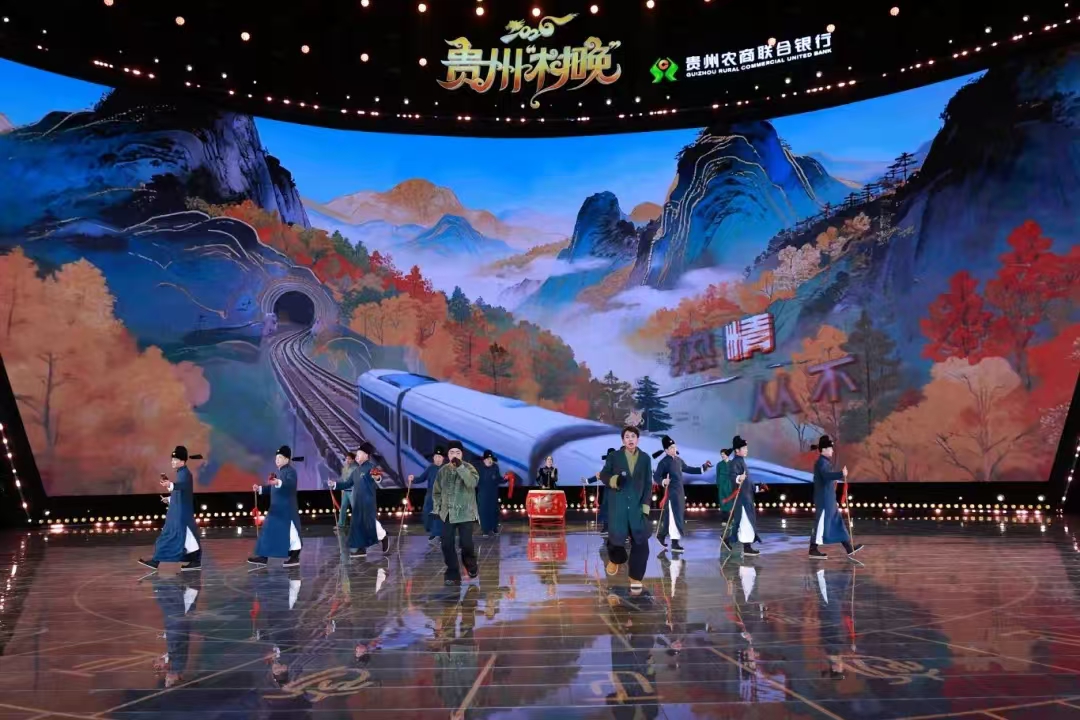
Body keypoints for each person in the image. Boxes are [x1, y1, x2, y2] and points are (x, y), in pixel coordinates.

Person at [598, 426, 653, 593]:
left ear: (638, 439)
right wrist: (614, 480)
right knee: (616, 539)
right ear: (623, 440)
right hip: (619, 505)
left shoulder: (645, 458)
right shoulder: (614, 456)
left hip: (637, 507)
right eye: (627, 437)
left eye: (633, 436)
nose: (630, 439)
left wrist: (645, 508)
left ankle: (635, 577)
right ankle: (615, 560)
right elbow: (604, 475)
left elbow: (648, 484)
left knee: (641, 541)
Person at [140, 446, 201, 572]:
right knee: (187, 539)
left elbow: (182, 486)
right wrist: (169, 498)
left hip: (181, 515)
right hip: (179, 514)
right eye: (172, 459)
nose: (172, 462)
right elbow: (181, 492)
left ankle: (156, 561)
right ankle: (195, 561)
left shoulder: (185, 474)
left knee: (173, 537)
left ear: (182, 461)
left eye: (175, 459)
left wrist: (171, 485)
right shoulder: (181, 473)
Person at [431, 440, 480, 586]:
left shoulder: (469, 467)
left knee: (466, 544)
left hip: (465, 512)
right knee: (446, 544)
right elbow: (436, 492)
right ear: (447, 454)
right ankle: (452, 573)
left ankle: (470, 565)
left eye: (458, 453)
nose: (455, 455)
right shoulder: (443, 471)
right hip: (448, 513)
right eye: (452, 452)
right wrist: (437, 508)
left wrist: (460, 467)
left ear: (462, 454)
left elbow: (472, 483)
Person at [653, 435, 712, 554]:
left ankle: (661, 535)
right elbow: (656, 476)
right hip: (672, 493)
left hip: (680, 492)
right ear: (666, 450)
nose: (674, 449)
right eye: (671, 447)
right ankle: (675, 543)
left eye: (674, 446)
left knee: (672, 516)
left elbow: (689, 469)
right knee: (674, 517)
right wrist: (663, 481)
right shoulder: (663, 463)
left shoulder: (679, 460)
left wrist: (703, 468)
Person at [329, 442, 389, 558]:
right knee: (358, 524)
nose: (357, 456)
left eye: (359, 454)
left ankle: (383, 536)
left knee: (369, 522)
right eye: (357, 454)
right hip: (358, 501)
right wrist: (335, 484)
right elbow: (347, 484)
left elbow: (378, 477)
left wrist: (377, 477)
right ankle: (361, 548)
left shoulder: (371, 467)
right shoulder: (356, 471)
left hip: (367, 501)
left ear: (366, 455)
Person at [809, 435, 864, 559]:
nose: (832, 451)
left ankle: (848, 547)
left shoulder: (825, 462)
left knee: (837, 522)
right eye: (830, 448)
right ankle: (813, 549)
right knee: (821, 523)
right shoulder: (821, 462)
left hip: (829, 498)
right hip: (824, 499)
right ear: (824, 449)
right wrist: (840, 474)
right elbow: (826, 476)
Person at [249, 445, 302, 568]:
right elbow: (273, 488)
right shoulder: (280, 472)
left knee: (291, 532)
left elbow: (290, 484)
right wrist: (260, 488)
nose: (277, 460)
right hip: (276, 509)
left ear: (287, 459)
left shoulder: (290, 472)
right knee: (268, 530)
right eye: (276, 458)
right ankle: (263, 556)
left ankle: (294, 556)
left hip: (286, 509)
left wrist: (278, 482)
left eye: (280, 457)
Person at [728, 436, 762, 556]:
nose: (746, 450)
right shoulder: (735, 462)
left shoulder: (742, 461)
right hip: (742, 498)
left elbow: (748, 481)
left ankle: (731, 540)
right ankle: (746, 547)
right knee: (745, 521)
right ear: (737, 450)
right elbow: (732, 477)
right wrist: (738, 478)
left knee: (745, 521)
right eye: (744, 448)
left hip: (746, 497)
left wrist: (757, 488)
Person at [415, 446, 446, 546]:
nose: (437, 459)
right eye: (436, 456)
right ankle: (434, 532)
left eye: (439, 457)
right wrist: (413, 479)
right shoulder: (430, 468)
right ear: (433, 458)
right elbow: (421, 478)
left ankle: (436, 535)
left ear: (443, 458)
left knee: (437, 516)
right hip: (429, 496)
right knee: (426, 514)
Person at [477, 449, 503, 537]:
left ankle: (494, 528)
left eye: (491, 459)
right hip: (483, 494)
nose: (489, 460)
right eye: (487, 459)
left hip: (493, 493)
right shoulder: (479, 468)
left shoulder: (495, 467)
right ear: (484, 460)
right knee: (484, 511)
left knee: (494, 511)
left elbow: (498, 478)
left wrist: (505, 479)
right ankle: (485, 530)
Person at [716, 448, 735, 550]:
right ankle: (724, 518)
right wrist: (718, 484)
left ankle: (730, 519)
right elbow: (717, 475)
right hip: (722, 483)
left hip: (730, 483)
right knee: (723, 501)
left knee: (730, 501)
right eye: (721, 454)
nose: (722, 455)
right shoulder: (719, 464)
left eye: (723, 454)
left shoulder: (732, 463)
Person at [336, 453, 354, 533]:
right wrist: (342, 489)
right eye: (346, 459)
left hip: (352, 491)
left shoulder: (355, 469)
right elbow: (343, 479)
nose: (347, 460)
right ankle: (341, 524)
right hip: (345, 491)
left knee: (355, 508)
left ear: (353, 460)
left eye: (349, 459)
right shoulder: (344, 469)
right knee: (343, 507)